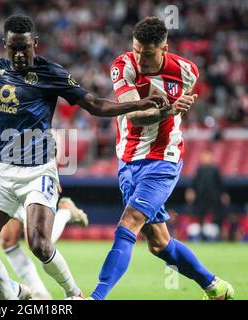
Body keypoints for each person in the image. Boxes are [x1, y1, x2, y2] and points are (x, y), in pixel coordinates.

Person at [0, 14, 169, 300]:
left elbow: (94, 105)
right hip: (1, 170)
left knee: (38, 243)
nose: (19, 54)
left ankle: (73, 294)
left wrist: (138, 104)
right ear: (4, 45)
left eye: (25, 47)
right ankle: (14, 300)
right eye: (13, 48)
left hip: (38, 170)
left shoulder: (51, 72)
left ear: (35, 43)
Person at [88, 17, 234, 300]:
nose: (141, 58)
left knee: (129, 222)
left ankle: (96, 297)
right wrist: (169, 110)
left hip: (162, 159)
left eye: (149, 53)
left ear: (165, 47)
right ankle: (215, 286)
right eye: (137, 49)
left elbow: (182, 105)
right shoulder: (123, 66)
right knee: (159, 244)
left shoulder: (187, 72)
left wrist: (176, 110)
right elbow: (132, 114)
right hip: (128, 158)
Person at [0, 109, 89, 299]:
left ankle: (65, 212)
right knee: (8, 241)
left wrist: (52, 169)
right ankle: (39, 294)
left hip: (33, 176)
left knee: (38, 242)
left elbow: (51, 135)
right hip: (6, 178)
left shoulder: (25, 96)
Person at [185, 149, 230, 240]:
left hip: (214, 199)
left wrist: (224, 194)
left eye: (207, 156)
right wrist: (190, 191)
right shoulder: (199, 169)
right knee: (200, 217)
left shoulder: (215, 169)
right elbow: (194, 183)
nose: (205, 158)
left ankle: (218, 237)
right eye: (203, 156)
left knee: (216, 218)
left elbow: (220, 184)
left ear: (211, 157)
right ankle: (201, 236)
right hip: (201, 198)